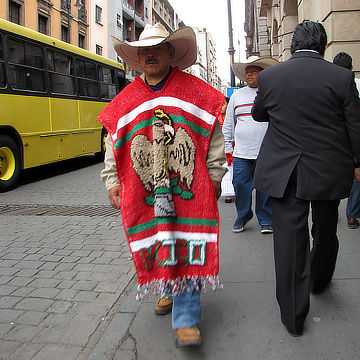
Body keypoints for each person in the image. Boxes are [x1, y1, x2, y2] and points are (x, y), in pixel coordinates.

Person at [99, 23, 227, 347]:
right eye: (144, 50)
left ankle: (186, 320)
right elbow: (115, 143)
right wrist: (113, 180)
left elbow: (213, 139)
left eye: (157, 48)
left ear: (172, 52)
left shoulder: (196, 91)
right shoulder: (127, 99)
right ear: (138, 57)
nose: (150, 55)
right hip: (147, 195)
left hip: (190, 192)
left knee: (186, 243)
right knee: (161, 241)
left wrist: (213, 178)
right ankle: (169, 290)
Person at [251, 21, 360, 337]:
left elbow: (259, 114)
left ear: (292, 46)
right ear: (324, 47)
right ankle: (319, 280)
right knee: (326, 230)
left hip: (285, 172)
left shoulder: (271, 76)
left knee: (289, 240)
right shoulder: (341, 77)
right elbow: (355, 125)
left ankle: (294, 317)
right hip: (328, 169)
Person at [222, 56, 278, 234]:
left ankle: (266, 219)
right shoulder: (237, 96)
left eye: (253, 72)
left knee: (264, 187)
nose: (249, 75)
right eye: (247, 72)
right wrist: (227, 148)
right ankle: (243, 215)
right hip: (241, 153)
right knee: (240, 184)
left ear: (263, 74)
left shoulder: (270, 93)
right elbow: (228, 124)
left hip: (266, 152)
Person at [333, 52, 360, 229]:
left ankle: (331, 213)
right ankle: (351, 214)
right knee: (357, 178)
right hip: (352, 139)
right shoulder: (355, 83)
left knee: (332, 179)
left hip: (334, 141)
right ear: (351, 68)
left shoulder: (328, 82)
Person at [218, 97, 234, 203]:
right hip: (219, 147)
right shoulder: (215, 118)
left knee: (231, 169)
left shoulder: (232, 117)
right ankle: (227, 193)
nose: (221, 107)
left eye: (223, 104)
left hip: (232, 146)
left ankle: (230, 191)